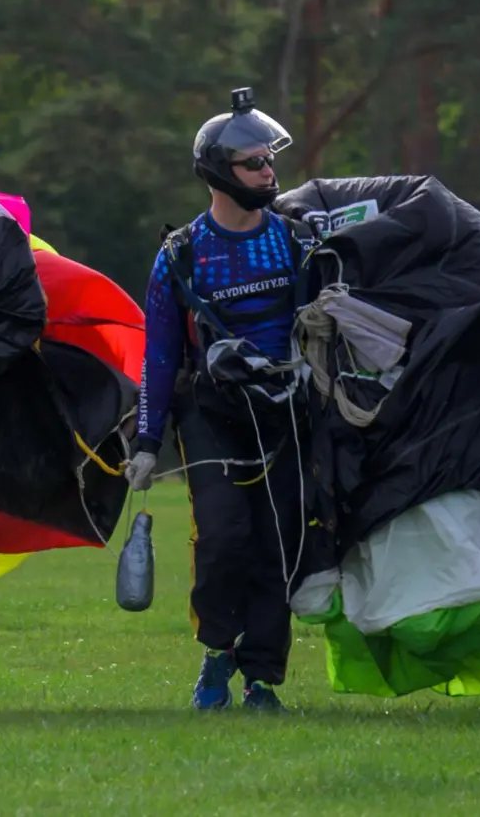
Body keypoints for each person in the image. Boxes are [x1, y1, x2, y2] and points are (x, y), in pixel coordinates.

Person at [125, 88, 315, 712]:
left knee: (277, 542)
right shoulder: (179, 254)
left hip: (284, 410)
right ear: (217, 173)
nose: (268, 173)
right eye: (253, 163)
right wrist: (147, 442)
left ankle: (262, 681)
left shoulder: (295, 242)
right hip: (210, 414)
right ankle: (217, 653)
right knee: (224, 536)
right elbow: (159, 356)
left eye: (269, 161)